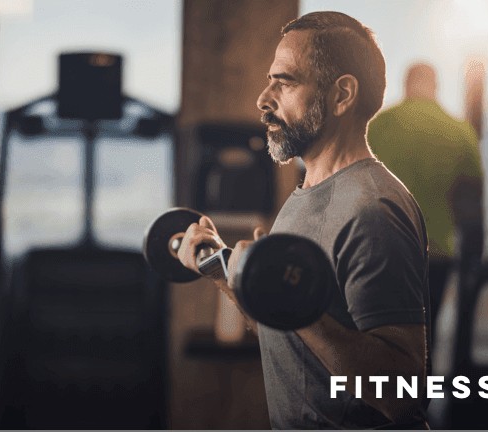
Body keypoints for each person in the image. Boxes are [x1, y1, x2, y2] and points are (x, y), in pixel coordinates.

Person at [178, 11, 431, 430]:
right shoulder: (306, 194)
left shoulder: (373, 210)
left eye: (286, 81)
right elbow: (289, 337)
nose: (263, 98)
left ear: (341, 95)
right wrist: (223, 272)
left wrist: (293, 305)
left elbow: (401, 393)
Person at [367, 62, 483, 320]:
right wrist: (474, 259)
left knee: (380, 335)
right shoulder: (460, 131)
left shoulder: (376, 127)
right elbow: (472, 200)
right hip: (436, 253)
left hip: (381, 251)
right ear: (436, 86)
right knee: (425, 337)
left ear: (405, 84)